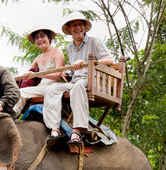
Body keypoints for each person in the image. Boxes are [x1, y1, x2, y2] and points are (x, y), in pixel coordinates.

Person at [43, 12, 114, 147]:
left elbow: (110, 60)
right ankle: (54, 129)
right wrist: (66, 72)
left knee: (79, 84)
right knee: (51, 89)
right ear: (69, 29)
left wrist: (86, 62)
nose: (78, 28)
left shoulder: (94, 41)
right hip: (75, 82)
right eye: (74, 25)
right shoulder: (69, 48)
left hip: (93, 81)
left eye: (80, 24)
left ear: (84, 27)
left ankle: (77, 130)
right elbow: (72, 69)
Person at [14, 28, 66, 118]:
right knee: (16, 92)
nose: (40, 40)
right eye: (37, 38)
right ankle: (6, 113)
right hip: (41, 87)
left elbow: (58, 76)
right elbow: (29, 73)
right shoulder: (38, 57)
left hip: (55, 85)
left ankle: (11, 116)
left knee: (21, 93)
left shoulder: (57, 52)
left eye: (42, 36)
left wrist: (40, 74)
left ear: (49, 38)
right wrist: (26, 75)